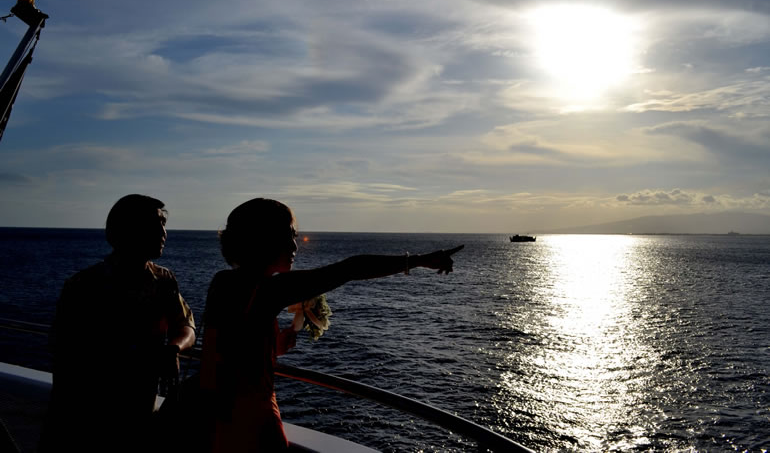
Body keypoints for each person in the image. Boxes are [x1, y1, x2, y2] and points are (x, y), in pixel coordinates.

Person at [200, 198, 462, 452]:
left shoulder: (223, 283)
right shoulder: (266, 290)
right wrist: (419, 260)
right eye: (289, 234)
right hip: (250, 424)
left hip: (215, 417)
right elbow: (350, 269)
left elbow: (231, 350)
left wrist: (274, 347)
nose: (295, 243)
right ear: (264, 238)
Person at [39, 194, 196, 453]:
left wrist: (173, 349)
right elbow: (67, 358)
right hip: (89, 420)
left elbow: (186, 326)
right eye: (154, 224)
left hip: (140, 414)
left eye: (163, 223)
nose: (163, 232)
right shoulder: (84, 287)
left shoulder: (163, 280)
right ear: (126, 230)